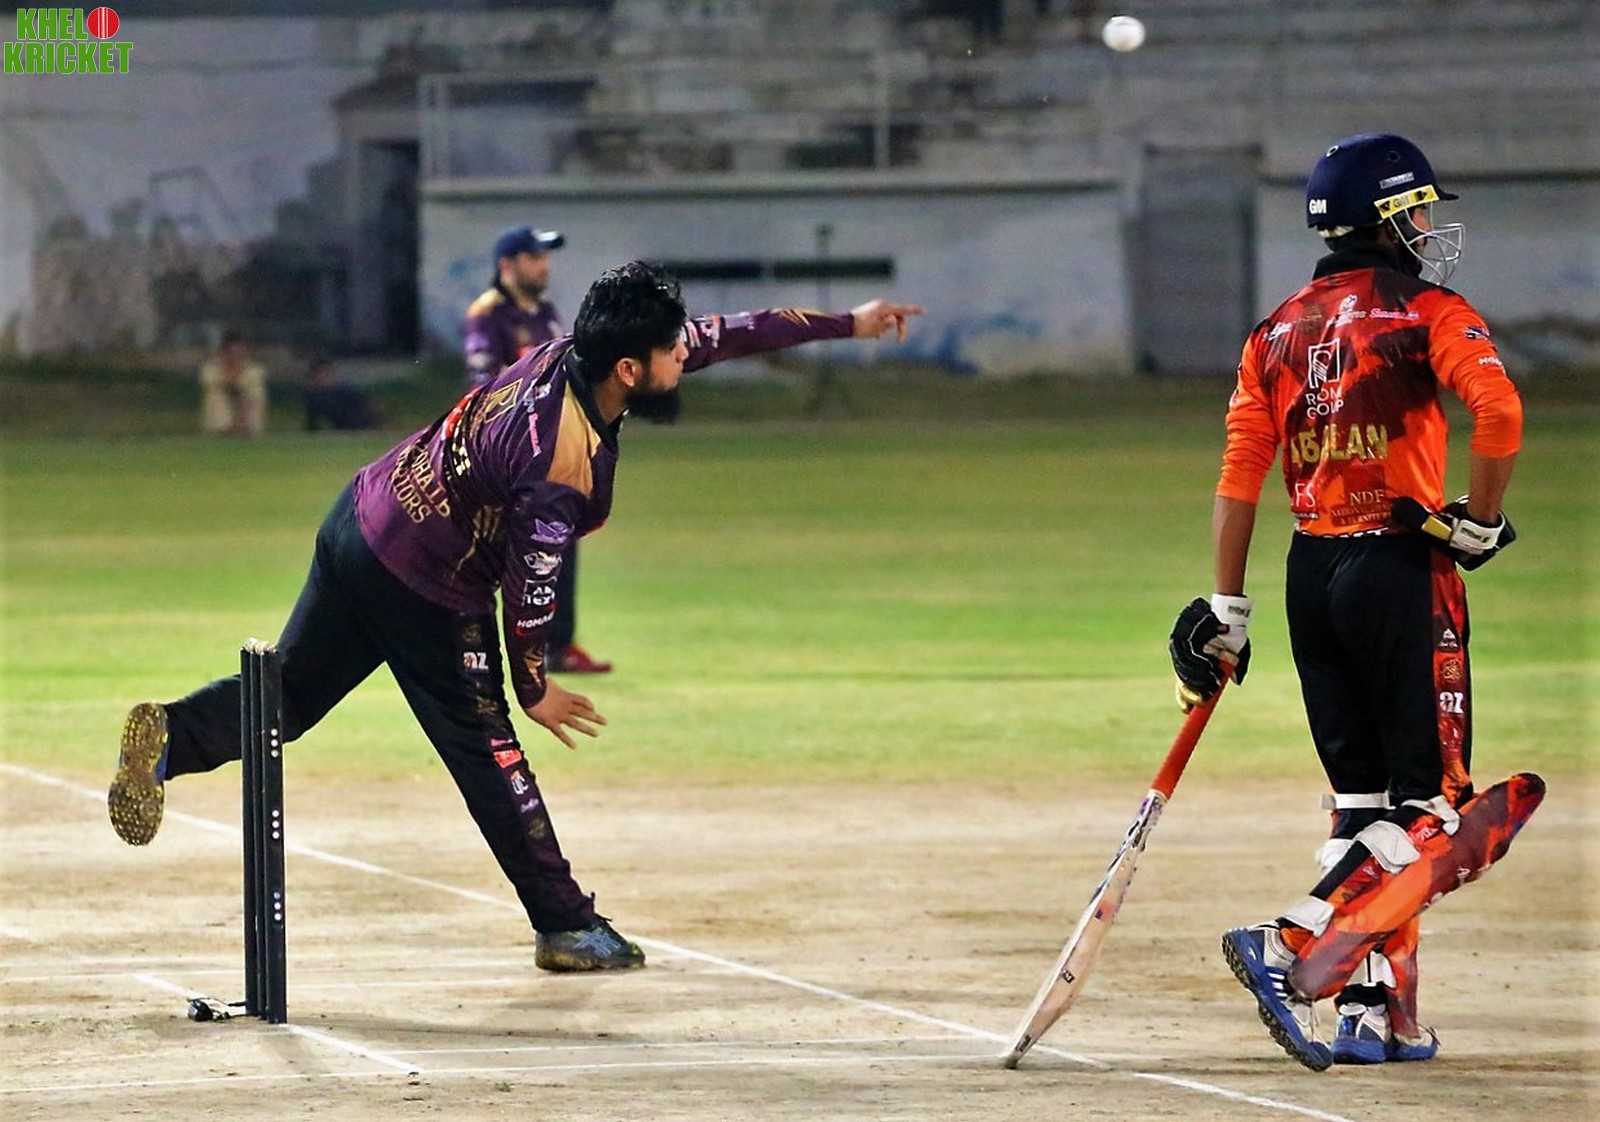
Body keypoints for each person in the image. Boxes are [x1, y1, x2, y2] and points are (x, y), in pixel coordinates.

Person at [108, 261, 924, 972]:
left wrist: (848, 324)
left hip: (365, 513)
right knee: (490, 753)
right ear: (630, 370)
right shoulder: (558, 459)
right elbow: (531, 587)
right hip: (426, 578)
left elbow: (727, 332)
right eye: (671, 349)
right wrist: (534, 688)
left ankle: (171, 739)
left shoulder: (579, 353)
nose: (687, 351)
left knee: (289, 697)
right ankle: (566, 925)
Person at [1167, 133, 1522, 1070]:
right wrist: (1481, 521)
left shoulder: (1275, 328)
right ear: (1388, 219)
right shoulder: (1426, 311)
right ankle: (1288, 940)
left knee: (1365, 807)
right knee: (1434, 812)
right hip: (1398, 569)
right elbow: (1500, 413)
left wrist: (1227, 607)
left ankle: (1377, 1014)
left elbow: (1241, 470)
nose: (1429, 226)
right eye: (1419, 210)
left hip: (1308, 574)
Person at [465, 224, 615, 675]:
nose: (543, 266)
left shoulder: (546, 314)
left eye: (545, 257)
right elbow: (485, 386)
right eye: (534, 257)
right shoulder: (488, 315)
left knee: (558, 539)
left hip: (547, 451)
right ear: (506, 265)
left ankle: (557, 645)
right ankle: (480, 648)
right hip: (505, 453)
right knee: (498, 552)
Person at [200, 331, 267, 437]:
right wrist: (229, 384)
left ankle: (247, 427)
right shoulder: (212, 367)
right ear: (224, 350)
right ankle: (222, 428)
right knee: (215, 395)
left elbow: (250, 389)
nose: (235, 355)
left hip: (244, 405)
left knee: (256, 394)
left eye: (239, 351)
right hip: (223, 404)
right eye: (231, 351)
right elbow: (209, 383)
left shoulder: (253, 369)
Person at [304, 358, 382, 432]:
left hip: (359, 426)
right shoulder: (315, 397)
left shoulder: (347, 391)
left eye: (327, 373)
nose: (325, 377)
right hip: (343, 428)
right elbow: (313, 422)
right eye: (322, 374)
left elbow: (369, 406)